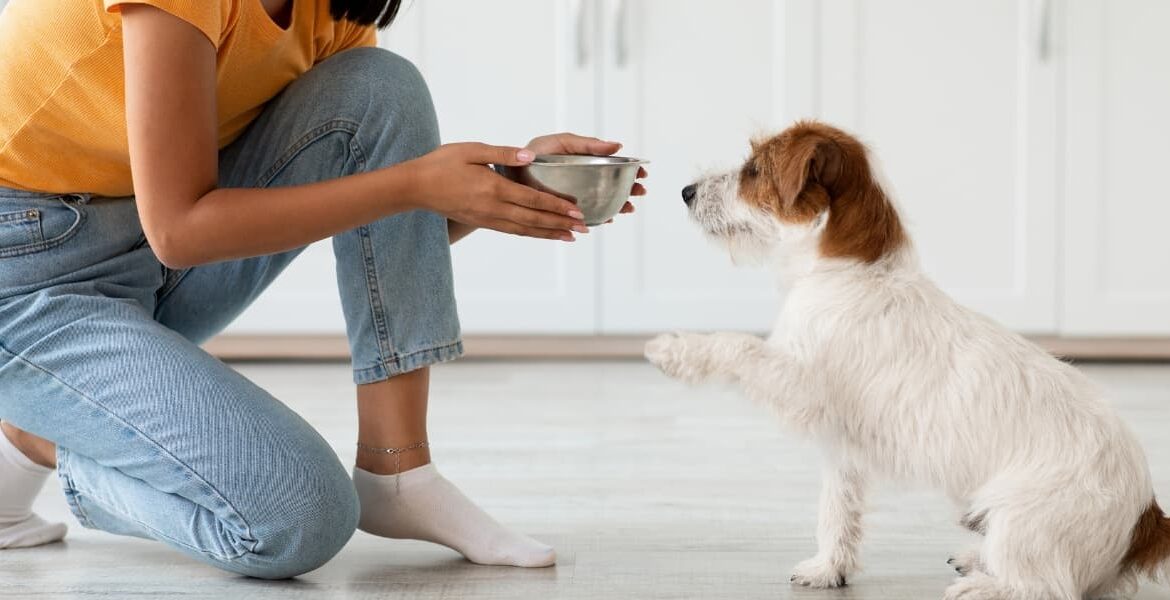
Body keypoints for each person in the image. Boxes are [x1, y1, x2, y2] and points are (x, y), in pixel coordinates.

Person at [0, 0, 645, 578]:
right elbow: (180, 230)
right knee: (297, 515)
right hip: (26, 274)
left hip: (142, 239)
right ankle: (44, 437)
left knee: (380, 88)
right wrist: (416, 184)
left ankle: (399, 470)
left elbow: (377, 218)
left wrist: (496, 191)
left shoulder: (329, 11)